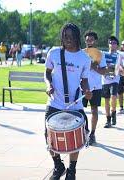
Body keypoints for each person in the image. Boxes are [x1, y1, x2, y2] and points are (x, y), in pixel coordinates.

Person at [44, 23, 92, 180]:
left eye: (71, 36)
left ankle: (72, 170)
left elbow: (84, 80)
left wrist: (86, 90)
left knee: (76, 137)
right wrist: (49, 85)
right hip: (55, 102)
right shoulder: (54, 53)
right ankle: (58, 165)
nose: (68, 39)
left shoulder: (84, 58)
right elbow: (47, 73)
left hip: (75, 104)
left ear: (77, 37)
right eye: (65, 36)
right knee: (49, 137)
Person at [82, 30, 107, 145]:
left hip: (96, 86)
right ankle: (83, 131)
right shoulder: (81, 53)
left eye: (91, 39)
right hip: (82, 85)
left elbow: (104, 71)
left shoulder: (100, 54)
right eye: (87, 40)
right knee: (79, 110)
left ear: (95, 41)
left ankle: (92, 133)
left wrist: (94, 67)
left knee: (94, 110)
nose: (89, 42)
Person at [102, 36, 122, 128]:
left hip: (115, 79)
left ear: (117, 45)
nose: (112, 44)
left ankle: (113, 111)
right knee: (106, 100)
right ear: (108, 44)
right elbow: (100, 65)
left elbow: (123, 68)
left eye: (114, 43)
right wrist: (107, 67)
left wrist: (118, 67)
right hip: (105, 80)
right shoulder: (103, 54)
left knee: (113, 97)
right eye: (110, 42)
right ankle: (108, 119)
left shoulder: (119, 56)